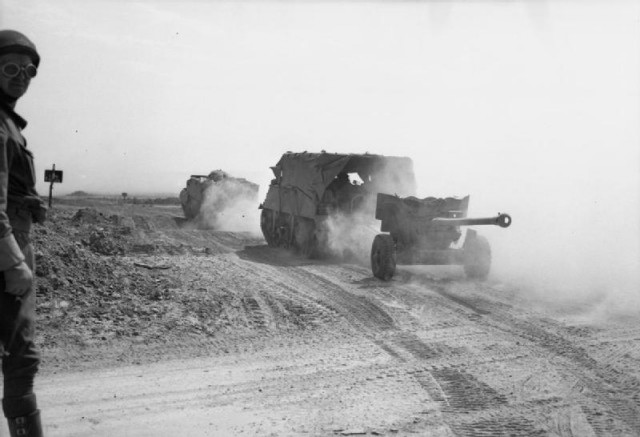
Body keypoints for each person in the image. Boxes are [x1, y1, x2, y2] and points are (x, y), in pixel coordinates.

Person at [0, 29, 47, 437]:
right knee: (21, 358)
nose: (21, 76)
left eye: (28, 70)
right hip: (6, 252)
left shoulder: (8, 123)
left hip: (14, 237)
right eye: (10, 68)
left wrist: (30, 201)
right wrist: (14, 264)